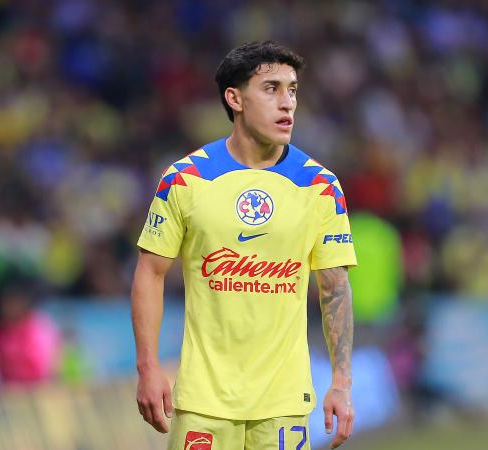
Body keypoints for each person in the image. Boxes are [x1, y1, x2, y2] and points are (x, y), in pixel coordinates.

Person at [131, 41, 357, 450]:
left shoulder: (320, 185)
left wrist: (341, 383)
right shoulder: (186, 179)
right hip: (204, 400)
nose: (287, 103)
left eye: (292, 90)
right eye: (271, 89)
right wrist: (148, 367)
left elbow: (335, 286)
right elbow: (150, 272)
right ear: (235, 99)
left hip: (284, 401)